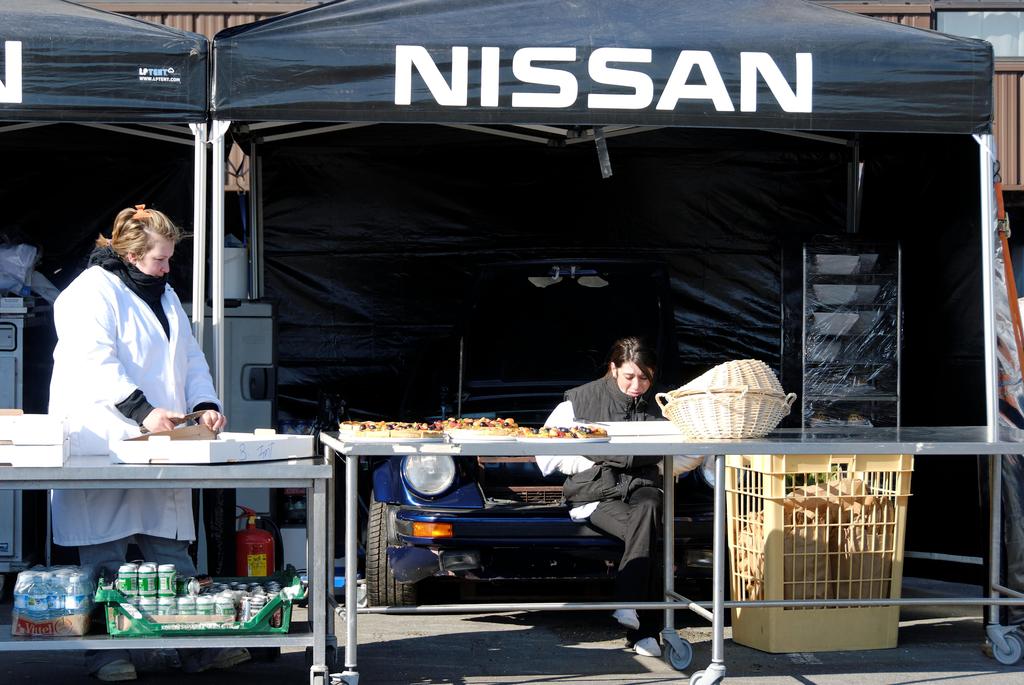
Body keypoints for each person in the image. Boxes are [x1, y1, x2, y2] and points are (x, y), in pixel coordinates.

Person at [49, 205, 248, 682]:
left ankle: (194, 646)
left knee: (171, 553)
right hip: (105, 441)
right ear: (132, 254)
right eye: (161, 258)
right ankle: (107, 656)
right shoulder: (89, 294)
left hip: (161, 442)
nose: (167, 267)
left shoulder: (165, 294)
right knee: (104, 559)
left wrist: (203, 403)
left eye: (170, 258)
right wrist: (142, 410)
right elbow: (94, 363)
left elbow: (190, 356)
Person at [536, 336, 702, 658]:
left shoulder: (667, 405)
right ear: (613, 369)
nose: (637, 385)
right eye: (629, 376)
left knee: (650, 504)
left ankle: (629, 603)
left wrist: (656, 464)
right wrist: (598, 462)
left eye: (645, 377)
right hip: (596, 494)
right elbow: (546, 455)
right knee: (648, 534)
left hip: (644, 488)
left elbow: (694, 451)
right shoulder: (578, 401)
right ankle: (645, 632)